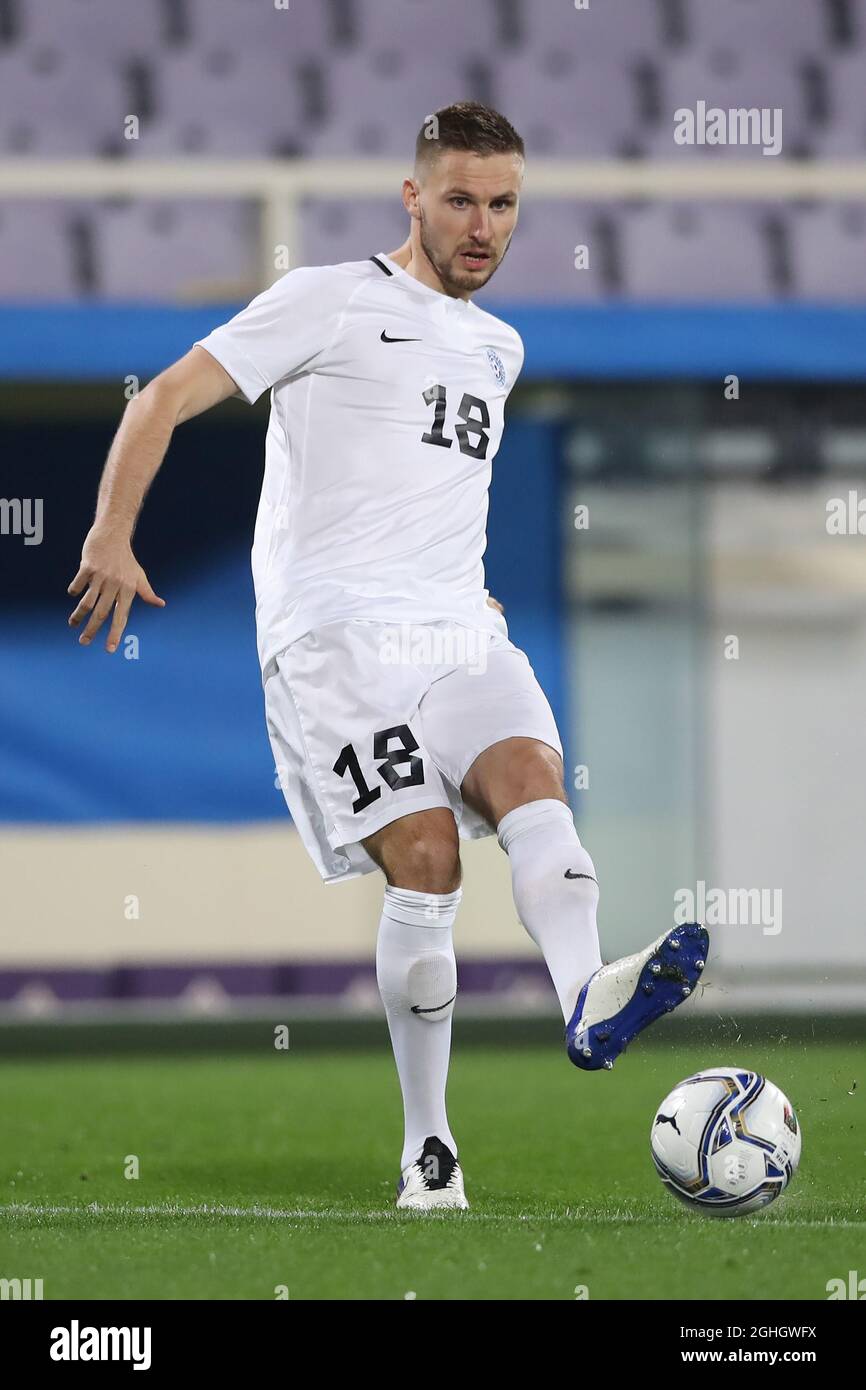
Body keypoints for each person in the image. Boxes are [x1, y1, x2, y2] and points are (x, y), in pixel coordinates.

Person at [69, 101, 707, 1211]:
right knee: (425, 856)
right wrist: (109, 533)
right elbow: (165, 397)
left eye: (502, 204)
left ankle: (584, 999)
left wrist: (467, 593)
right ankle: (428, 1149)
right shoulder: (329, 299)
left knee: (530, 783)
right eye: (458, 199)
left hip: (457, 624)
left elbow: (429, 493)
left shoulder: (500, 348)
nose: (481, 225)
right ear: (412, 197)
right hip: (332, 640)